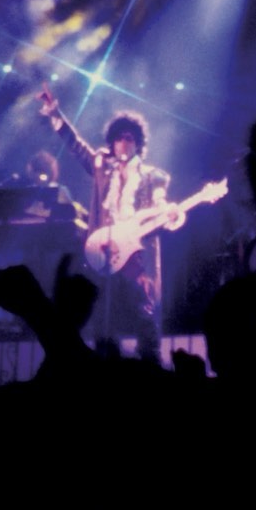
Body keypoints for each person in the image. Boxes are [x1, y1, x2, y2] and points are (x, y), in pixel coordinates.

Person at [37, 85, 184, 363]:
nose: (124, 143)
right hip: (105, 253)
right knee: (103, 322)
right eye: (119, 138)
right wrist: (55, 113)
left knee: (146, 322)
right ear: (112, 143)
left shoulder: (154, 176)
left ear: (138, 143)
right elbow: (76, 145)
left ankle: (151, 370)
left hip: (138, 258)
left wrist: (168, 210)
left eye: (130, 138)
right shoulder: (102, 167)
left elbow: (160, 202)